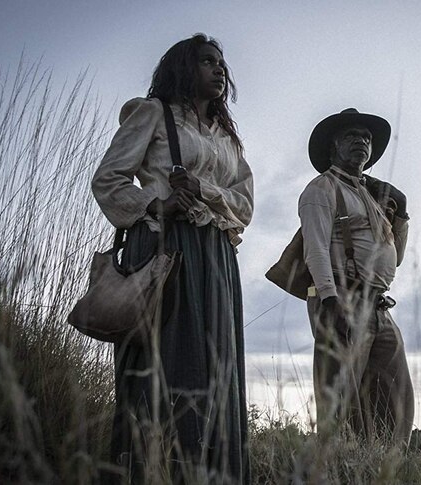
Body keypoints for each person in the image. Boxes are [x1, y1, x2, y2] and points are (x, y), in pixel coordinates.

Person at [92, 34, 253, 484]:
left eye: (222, 64)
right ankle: (150, 471)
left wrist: (205, 191)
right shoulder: (153, 114)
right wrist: (155, 205)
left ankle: (208, 474)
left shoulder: (228, 140)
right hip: (165, 249)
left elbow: (245, 205)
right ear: (184, 67)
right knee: (167, 363)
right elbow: (108, 179)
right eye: (207, 61)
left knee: (216, 366)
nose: (219, 70)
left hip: (218, 258)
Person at [299, 108, 414, 445]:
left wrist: (401, 213)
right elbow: (316, 249)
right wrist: (331, 301)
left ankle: (383, 470)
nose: (362, 141)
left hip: (380, 306)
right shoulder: (321, 189)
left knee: (396, 401)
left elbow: (398, 259)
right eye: (352, 136)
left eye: (366, 138)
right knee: (340, 403)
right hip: (342, 299)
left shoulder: (375, 198)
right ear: (333, 146)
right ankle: (334, 470)